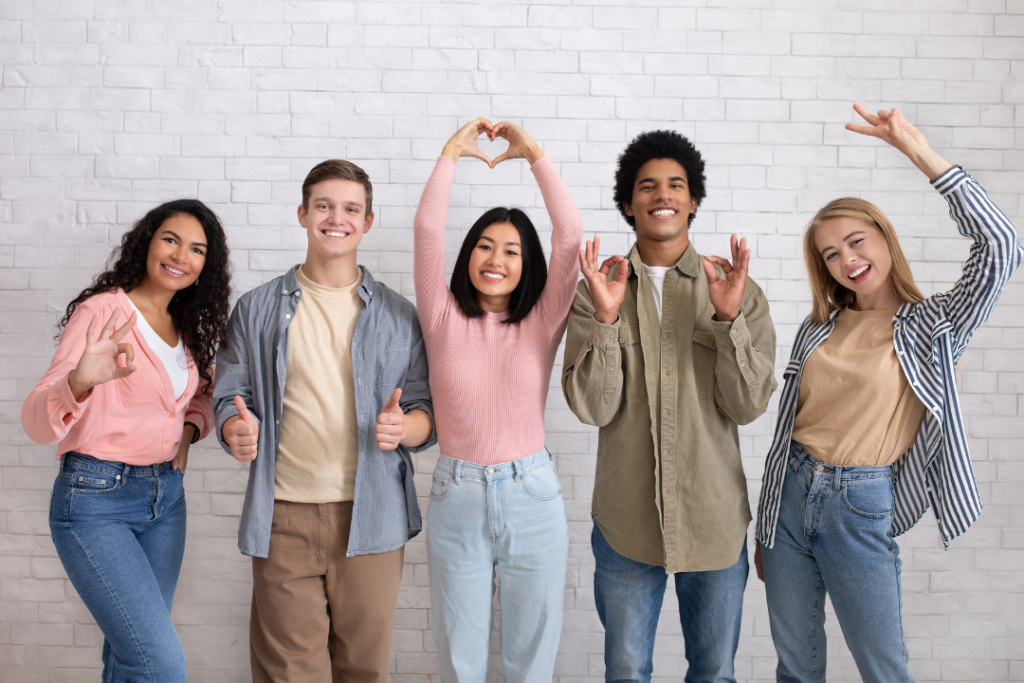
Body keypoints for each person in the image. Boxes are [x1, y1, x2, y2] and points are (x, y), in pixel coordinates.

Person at [755, 104, 1023, 682]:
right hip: (791, 496)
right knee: (795, 669)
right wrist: (767, 518)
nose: (848, 260)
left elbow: (1001, 246)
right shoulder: (818, 327)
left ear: (884, 237)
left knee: (885, 670)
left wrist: (917, 151)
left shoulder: (931, 324)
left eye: (856, 242)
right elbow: (785, 433)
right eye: (831, 254)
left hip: (858, 504)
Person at [562, 130, 778, 683]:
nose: (664, 194)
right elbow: (592, 407)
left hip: (714, 520)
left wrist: (728, 322)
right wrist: (606, 320)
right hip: (626, 524)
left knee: (714, 673)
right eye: (648, 186)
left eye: (676, 185)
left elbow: (749, 404)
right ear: (629, 203)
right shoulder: (597, 287)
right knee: (627, 671)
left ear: (694, 200)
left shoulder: (735, 289)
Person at [213, 158, 434, 683]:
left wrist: (406, 429)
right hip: (283, 516)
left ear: (368, 221)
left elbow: (426, 411)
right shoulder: (256, 308)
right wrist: (233, 429)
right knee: (289, 674)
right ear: (303, 213)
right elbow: (229, 396)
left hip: (372, 518)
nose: (337, 218)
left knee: (364, 670)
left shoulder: (401, 315)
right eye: (325, 206)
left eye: (351, 208)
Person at [22, 199, 231, 682]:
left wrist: (189, 429)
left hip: (166, 502)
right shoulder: (103, 313)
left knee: (129, 658)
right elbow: (35, 420)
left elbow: (196, 397)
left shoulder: (187, 327)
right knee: (160, 664)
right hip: (96, 501)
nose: (181, 255)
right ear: (148, 242)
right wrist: (77, 382)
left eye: (197, 249)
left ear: (205, 266)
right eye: (171, 240)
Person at [414, 118, 582, 681]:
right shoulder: (441, 318)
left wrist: (533, 153)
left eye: (511, 250)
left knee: (529, 661)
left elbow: (570, 235)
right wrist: (450, 153)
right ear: (468, 255)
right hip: (456, 493)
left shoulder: (542, 321)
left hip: (531, 495)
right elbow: (426, 231)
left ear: (525, 264)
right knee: (459, 658)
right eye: (485, 245)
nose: (495, 258)